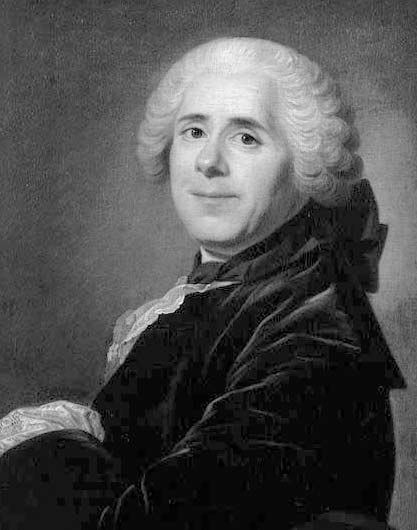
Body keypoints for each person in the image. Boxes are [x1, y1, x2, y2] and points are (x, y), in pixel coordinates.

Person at [0, 37, 404, 530]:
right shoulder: (223, 294)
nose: (208, 161)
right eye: (193, 131)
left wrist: (48, 451)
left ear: (306, 165)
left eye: (246, 137)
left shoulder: (316, 328)